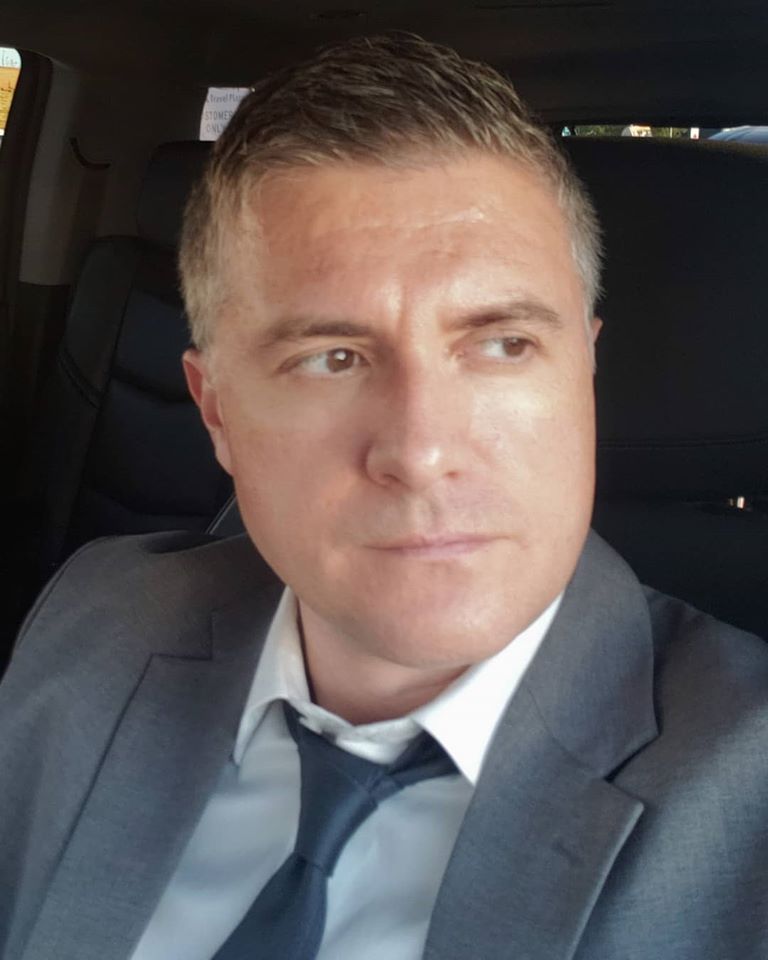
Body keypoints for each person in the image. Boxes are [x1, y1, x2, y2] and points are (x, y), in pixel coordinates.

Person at [1, 33, 767, 960]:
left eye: (502, 345)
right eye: (331, 358)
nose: (421, 451)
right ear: (216, 411)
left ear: (585, 371)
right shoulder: (97, 620)